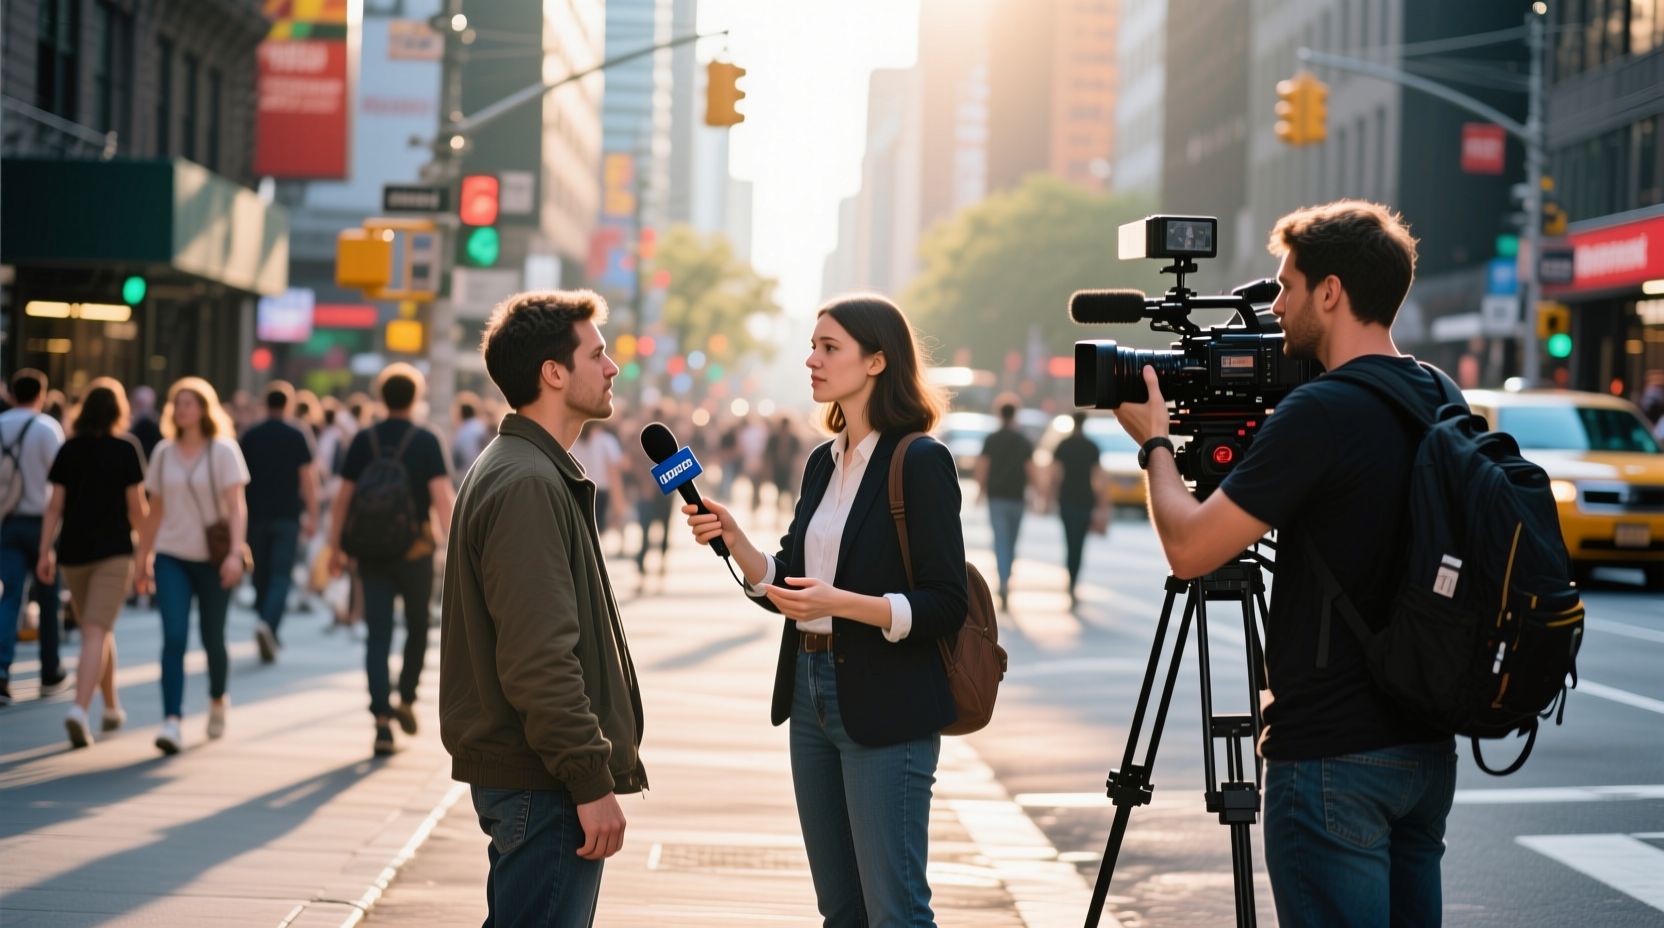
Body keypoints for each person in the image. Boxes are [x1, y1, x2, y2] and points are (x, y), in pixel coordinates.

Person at [1112, 200, 1458, 927]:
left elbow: (1191, 546)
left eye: (1285, 285)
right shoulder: (1439, 394)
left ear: (1329, 293)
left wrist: (1155, 446)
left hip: (1334, 755)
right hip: (1425, 747)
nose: (1274, 306)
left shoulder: (1321, 412)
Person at [683, 294, 967, 926]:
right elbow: (790, 580)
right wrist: (738, 543)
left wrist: (844, 605)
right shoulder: (822, 462)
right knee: (839, 909)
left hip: (885, 700)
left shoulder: (920, 461)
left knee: (895, 909)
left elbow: (948, 603)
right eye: (813, 345)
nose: (811, 359)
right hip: (810, 695)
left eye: (829, 347)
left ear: (876, 362)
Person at [441, 289, 644, 927]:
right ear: (553, 373)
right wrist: (590, 778)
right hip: (546, 784)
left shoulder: (527, 468)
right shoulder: (527, 480)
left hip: (538, 778)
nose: (612, 368)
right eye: (598, 354)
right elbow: (538, 658)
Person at [329, 363, 452, 755]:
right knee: (417, 625)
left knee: (377, 633)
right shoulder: (427, 440)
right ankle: (406, 698)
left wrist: (335, 548)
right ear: (416, 398)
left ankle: (381, 720)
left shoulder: (364, 440)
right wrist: (457, 546)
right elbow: (442, 500)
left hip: (370, 551)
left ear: (381, 397)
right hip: (415, 550)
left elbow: (343, 500)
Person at [136, 377, 251, 754]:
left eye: (190, 403)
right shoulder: (164, 453)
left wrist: (235, 552)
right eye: (177, 403)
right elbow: (154, 512)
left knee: (213, 638)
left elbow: (236, 507)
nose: (182, 409)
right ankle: (172, 720)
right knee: (174, 637)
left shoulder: (224, 450)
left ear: (204, 409)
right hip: (172, 556)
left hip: (214, 559)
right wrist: (143, 559)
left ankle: (218, 698)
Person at [38, 379, 148, 746]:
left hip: (73, 553)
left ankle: (112, 707)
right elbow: (137, 510)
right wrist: (147, 552)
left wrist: (44, 552)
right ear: (119, 411)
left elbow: (54, 506)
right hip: (114, 553)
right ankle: (79, 710)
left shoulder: (69, 449)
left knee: (96, 630)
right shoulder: (127, 449)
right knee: (95, 631)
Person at [0, 369, 68, 706]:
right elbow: (60, 481)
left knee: (9, 596)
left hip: (8, 522)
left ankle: (1, 672)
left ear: (12, 394)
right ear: (41, 395)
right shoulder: (47, 428)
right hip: (43, 522)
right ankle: (49, 672)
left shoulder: (1, 424)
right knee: (48, 598)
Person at [239, 382, 320, 663]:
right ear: (288, 404)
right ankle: (268, 623)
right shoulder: (297, 434)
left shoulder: (250, 435)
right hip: (287, 515)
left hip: (255, 515)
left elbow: (239, 481)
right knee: (281, 575)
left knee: (260, 573)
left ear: (265, 403)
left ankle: (265, 620)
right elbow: (308, 480)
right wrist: (313, 515)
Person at [976, 400, 1034, 611]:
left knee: (1000, 539)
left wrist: (980, 491)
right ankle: (1006, 578)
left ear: (999, 415)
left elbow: (983, 466)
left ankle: (1003, 580)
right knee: (1011, 541)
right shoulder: (1023, 440)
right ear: (1015, 414)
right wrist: (1036, 492)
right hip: (1017, 497)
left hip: (996, 497)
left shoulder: (991, 439)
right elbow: (1030, 469)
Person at [1051, 412, 1105, 610]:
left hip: (1066, 500)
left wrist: (1049, 496)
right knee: (1079, 544)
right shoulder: (1092, 447)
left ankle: (1071, 580)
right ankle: (1074, 581)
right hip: (1085, 501)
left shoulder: (1064, 445)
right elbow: (1098, 478)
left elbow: (1056, 474)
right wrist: (1101, 504)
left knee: (1069, 542)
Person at [569, 419, 624, 544]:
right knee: (597, 535)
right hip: (599, 493)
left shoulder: (573, 442)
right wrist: (618, 502)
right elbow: (614, 473)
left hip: (579, 492)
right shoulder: (606, 441)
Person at [451, 391, 490, 479]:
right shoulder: (482, 426)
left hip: (468, 476)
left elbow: (459, 459)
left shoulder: (463, 432)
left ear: (460, 413)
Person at [129, 385, 163, 459]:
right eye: (139, 404)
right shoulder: (126, 426)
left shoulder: (160, 427)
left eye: (146, 404)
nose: (143, 409)